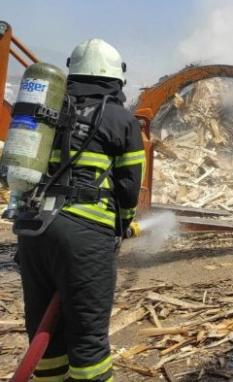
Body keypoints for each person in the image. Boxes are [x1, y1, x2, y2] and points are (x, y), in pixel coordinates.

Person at [15, 39, 145, 381]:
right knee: (88, 344)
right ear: (116, 77)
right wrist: (124, 225)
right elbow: (129, 186)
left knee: (47, 339)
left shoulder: (47, 108)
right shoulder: (120, 119)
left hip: (33, 231)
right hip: (84, 237)